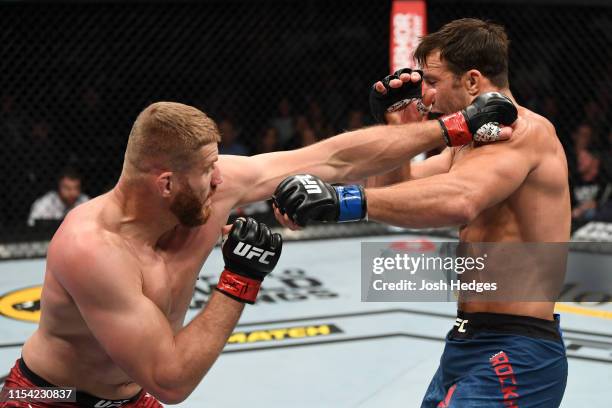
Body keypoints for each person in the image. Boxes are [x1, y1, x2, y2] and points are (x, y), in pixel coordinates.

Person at [2, 94, 512, 407]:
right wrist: (238, 280)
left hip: (129, 398)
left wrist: (451, 128)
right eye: (207, 171)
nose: (223, 178)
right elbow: (171, 379)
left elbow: (329, 158)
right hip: (48, 398)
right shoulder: (92, 248)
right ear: (164, 184)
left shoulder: (211, 187)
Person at [273, 18, 570, 407]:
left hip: (517, 347)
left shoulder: (523, 133)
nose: (424, 95)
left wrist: (340, 200)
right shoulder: (467, 145)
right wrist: (396, 129)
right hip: (468, 341)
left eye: (432, 81)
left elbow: (459, 199)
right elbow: (394, 195)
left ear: (473, 81)